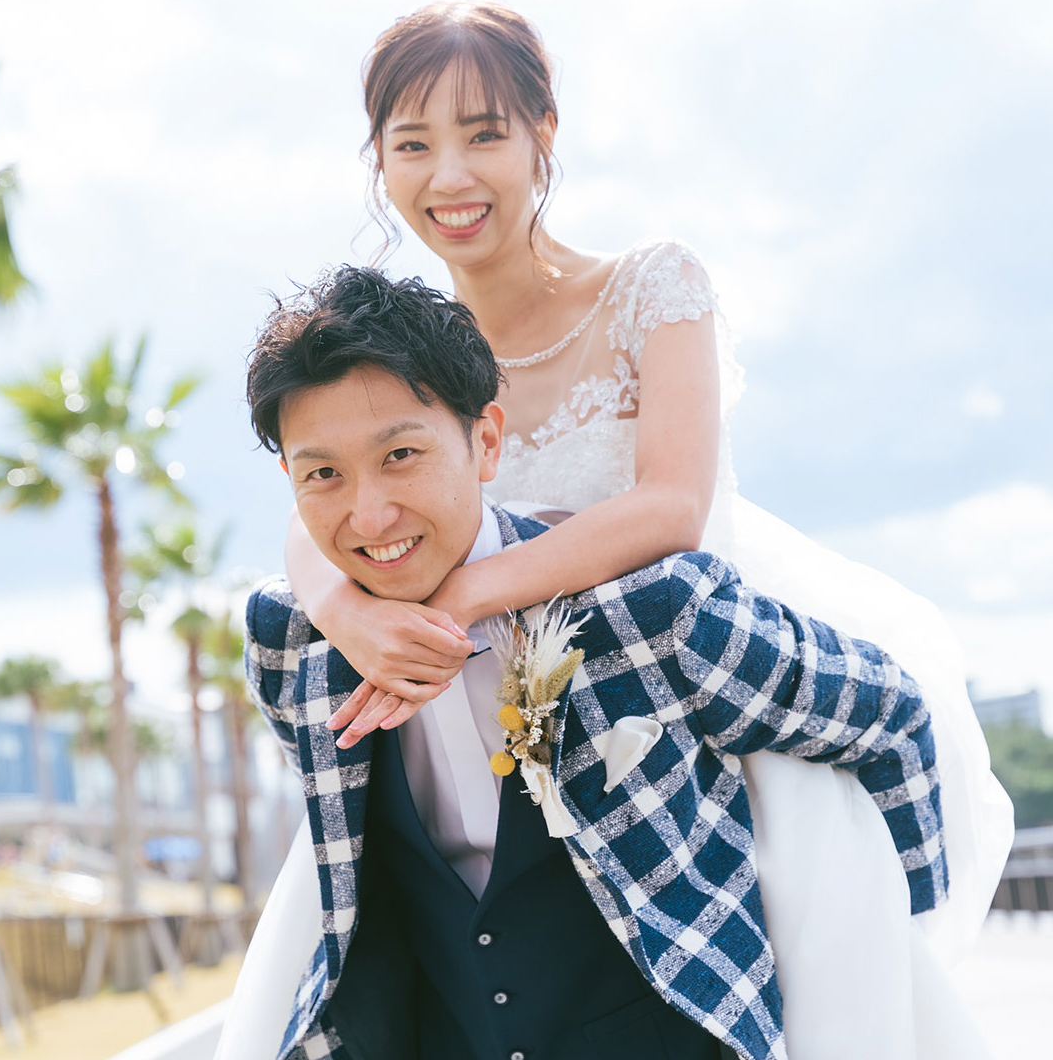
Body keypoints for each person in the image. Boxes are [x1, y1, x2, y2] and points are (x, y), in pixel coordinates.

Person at [280, 1, 1011, 1059]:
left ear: (544, 133)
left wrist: (459, 601)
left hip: (686, 689)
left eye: (484, 133)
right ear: (379, 161)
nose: (451, 176)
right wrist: (351, 617)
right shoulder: (402, 348)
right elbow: (316, 503)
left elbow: (671, 507)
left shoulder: (651, 288)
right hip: (469, 736)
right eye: (413, 144)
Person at [221, 265, 948, 1060]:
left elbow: (890, 714)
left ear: (485, 442)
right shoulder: (291, 645)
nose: (369, 515)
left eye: (400, 454)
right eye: (324, 473)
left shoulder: (650, 613)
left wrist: (897, 943)